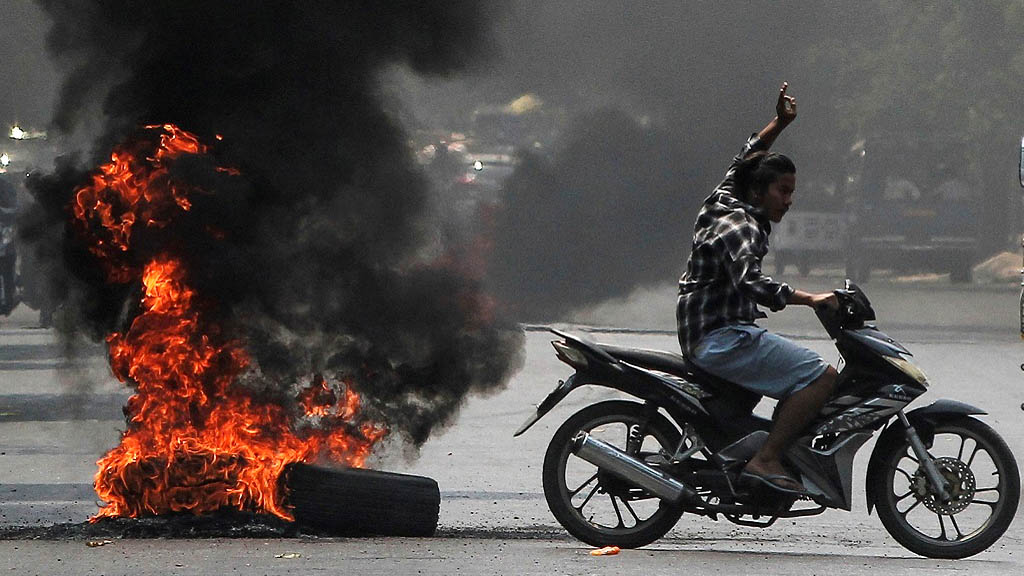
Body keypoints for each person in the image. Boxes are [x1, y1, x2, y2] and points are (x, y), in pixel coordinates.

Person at [676, 82, 839, 495]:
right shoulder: (741, 226)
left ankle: (747, 453)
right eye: (782, 191)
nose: (789, 200)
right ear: (759, 191)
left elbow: (744, 157)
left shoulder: (725, 198)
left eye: (792, 191)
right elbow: (752, 283)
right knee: (820, 377)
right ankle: (766, 460)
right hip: (721, 337)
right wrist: (812, 298)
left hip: (709, 333)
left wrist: (780, 124)